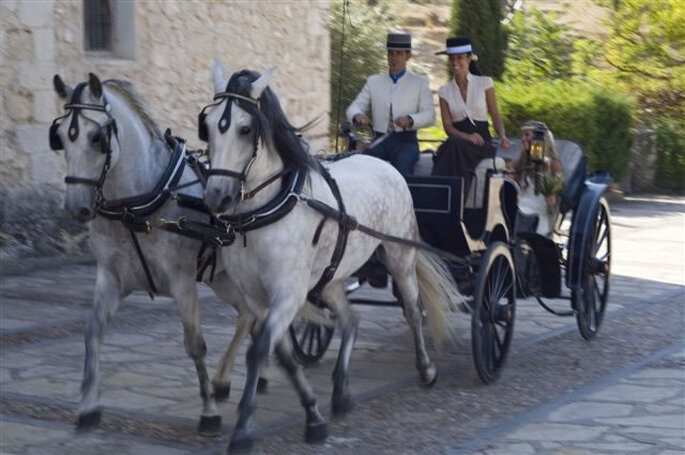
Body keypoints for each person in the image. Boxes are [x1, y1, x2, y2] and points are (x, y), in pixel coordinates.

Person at [346, 32, 435, 175]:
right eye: (390, 54)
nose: (393, 59)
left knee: (403, 160)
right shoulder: (374, 81)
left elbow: (430, 116)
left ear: (408, 56)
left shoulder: (419, 83)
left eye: (398, 54)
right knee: (366, 161)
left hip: (406, 142)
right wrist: (357, 115)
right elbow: (354, 107)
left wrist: (411, 120)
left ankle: (405, 197)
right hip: (379, 140)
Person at [431, 36, 510, 195]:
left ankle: (445, 195)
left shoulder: (485, 83)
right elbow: (448, 126)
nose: (455, 62)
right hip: (459, 140)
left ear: (469, 58)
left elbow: (495, 114)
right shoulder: (444, 91)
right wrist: (467, 137)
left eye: (459, 58)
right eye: (451, 58)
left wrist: (502, 136)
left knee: (452, 147)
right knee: (454, 144)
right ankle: (444, 196)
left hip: (482, 142)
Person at [513, 121, 564, 236]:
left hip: (540, 213)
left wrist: (541, 168)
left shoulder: (553, 164)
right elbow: (513, 184)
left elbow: (552, 200)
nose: (522, 139)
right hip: (521, 205)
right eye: (522, 135)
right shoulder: (523, 160)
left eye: (527, 135)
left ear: (540, 138)